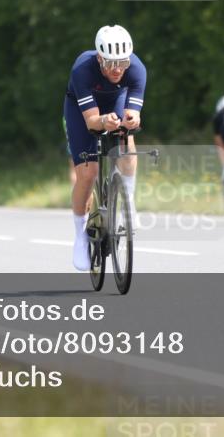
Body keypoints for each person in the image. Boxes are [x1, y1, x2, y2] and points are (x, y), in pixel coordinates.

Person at [64, 25, 146, 271]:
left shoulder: (137, 69)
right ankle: (80, 236)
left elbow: (133, 112)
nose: (117, 68)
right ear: (99, 58)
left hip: (115, 98)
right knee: (88, 175)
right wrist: (102, 121)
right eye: (111, 63)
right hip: (81, 110)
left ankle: (128, 200)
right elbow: (91, 122)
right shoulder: (82, 69)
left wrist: (132, 119)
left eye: (122, 62)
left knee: (126, 137)